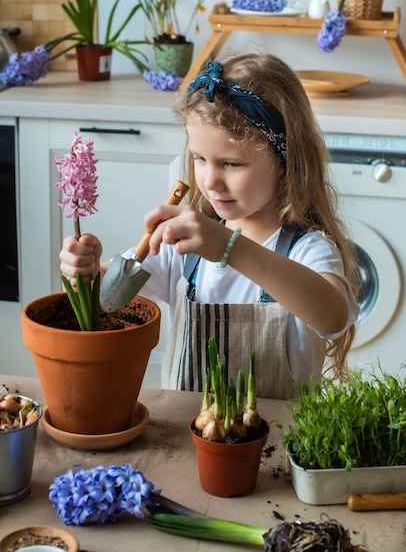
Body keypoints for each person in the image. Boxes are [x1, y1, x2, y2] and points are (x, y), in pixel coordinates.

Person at [59, 53, 359, 399]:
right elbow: (104, 301)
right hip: (185, 439)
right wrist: (85, 269)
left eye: (231, 163)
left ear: (285, 162)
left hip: (276, 447)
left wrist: (229, 247)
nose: (210, 180)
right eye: (200, 159)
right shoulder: (183, 247)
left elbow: (333, 317)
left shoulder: (307, 250)